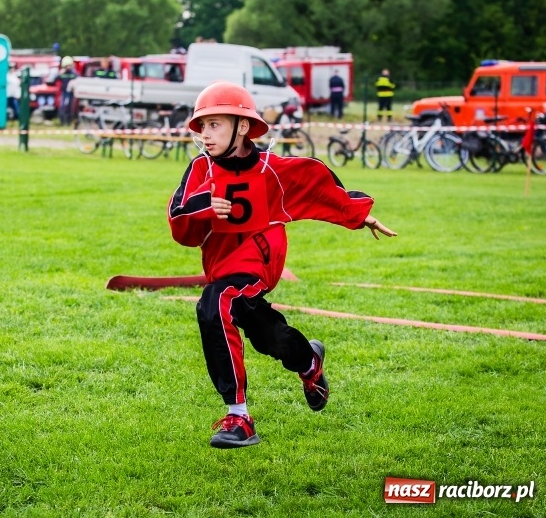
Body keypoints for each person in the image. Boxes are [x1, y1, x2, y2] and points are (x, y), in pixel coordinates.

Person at [167, 81, 397, 449]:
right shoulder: (199, 169)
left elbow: (319, 187)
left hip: (259, 260)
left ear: (242, 126)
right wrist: (206, 207)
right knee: (264, 333)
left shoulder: (271, 170)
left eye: (214, 124)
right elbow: (180, 224)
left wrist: (359, 215)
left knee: (215, 302)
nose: (204, 134)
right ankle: (309, 362)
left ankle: (239, 417)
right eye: (202, 125)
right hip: (222, 265)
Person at [57, 56, 77, 126]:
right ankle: (62, 122)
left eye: (69, 65)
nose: (68, 67)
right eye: (67, 65)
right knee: (62, 106)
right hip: (64, 92)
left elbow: (78, 78)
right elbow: (54, 79)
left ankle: (69, 122)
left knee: (70, 107)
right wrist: (60, 73)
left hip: (71, 93)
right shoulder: (62, 73)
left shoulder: (73, 73)